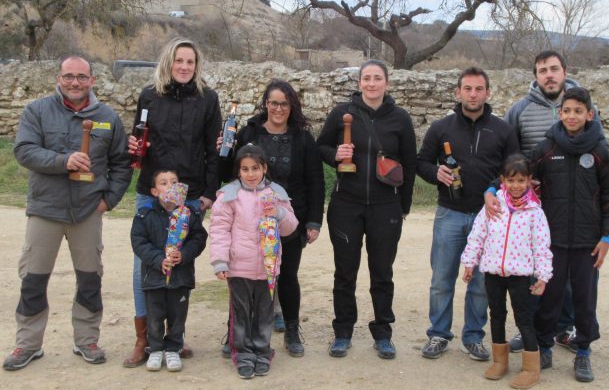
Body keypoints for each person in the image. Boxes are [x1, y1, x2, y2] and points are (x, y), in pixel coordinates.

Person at [3, 56, 132, 371]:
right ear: (58, 78)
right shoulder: (38, 111)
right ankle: (28, 345)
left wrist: (108, 202)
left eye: (82, 77)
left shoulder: (107, 117)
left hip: (88, 210)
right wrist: (64, 161)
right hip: (46, 208)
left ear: (92, 81)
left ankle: (87, 340)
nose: (75, 82)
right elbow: (25, 150)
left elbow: (121, 163)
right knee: (33, 278)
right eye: (69, 76)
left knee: (90, 278)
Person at [123, 37, 222, 367]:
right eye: (179, 60)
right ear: (168, 62)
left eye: (190, 62)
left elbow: (213, 150)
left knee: (180, 264)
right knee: (147, 264)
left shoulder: (208, 99)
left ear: (197, 66)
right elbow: (140, 140)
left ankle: (173, 338)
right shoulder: (149, 96)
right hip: (153, 191)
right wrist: (134, 148)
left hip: (190, 194)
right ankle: (144, 340)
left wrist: (209, 191)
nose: (184, 67)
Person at [316, 59, 417, 360]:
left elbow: (410, 164)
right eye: (366, 78)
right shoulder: (342, 114)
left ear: (387, 83)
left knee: (382, 273)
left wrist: (404, 206)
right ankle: (343, 331)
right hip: (346, 204)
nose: (371, 84)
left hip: (386, 206)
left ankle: (383, 332)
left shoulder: (400, 118)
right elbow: (320, 147)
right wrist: (336, 153)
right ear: (359, 83)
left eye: (377, 78)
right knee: (345, 273)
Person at [416, 67, 519, 361]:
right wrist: (436, 172)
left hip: (489, 217)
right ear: (458, 92)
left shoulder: (503, 130)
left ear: (487, 93)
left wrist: (494, 188)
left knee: (481, 283)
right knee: (442, 278)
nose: (473, 94)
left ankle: (473, 337)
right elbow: (421, 162)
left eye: (478, 89)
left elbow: (514, 170)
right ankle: (438, 333)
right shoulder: (441, 128)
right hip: (450, 213)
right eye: (467, 88)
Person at [218, 80, 325, 357]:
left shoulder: (303, 139)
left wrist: (313, 221)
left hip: (288, 220)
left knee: (287, 277)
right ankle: (235, 331)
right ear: (266, 104)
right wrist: (223, 148)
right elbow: (230, 171)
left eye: (284, 103)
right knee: (244, 279)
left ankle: (291, 330)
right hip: (248, 222)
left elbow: (316, 182)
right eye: (273, 102)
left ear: (292, 106)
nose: (278, 108)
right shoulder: (249, 133)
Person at [498, 50, 593, 353]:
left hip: (571, 203)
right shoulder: (520, 110)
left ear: (565, 71)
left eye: (554, 69)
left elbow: (597, 146)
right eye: (542, 70)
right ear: (535, 75)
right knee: (529, 269)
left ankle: (563, 328)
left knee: (564, 272)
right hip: (530, 205)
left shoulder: (583, 107)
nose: (549, 75)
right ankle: (529, 327)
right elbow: (511, 156)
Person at [529, 86, 609, 382]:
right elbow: (517, 170)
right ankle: (544, 346)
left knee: (584, 298)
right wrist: (494, 188)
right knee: (549, 296)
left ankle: (583, 352)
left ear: (589, 115)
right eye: (567, 110)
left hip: (587, 242)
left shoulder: (598, 151)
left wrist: (608, 237)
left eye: (578, 111)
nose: (572, 116)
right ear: (560, 113)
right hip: (551, 241)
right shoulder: (547, 149)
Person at [460, 155, 553, 389]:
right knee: (497, 315)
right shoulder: (493, 206)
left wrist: (543, 276)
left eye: (522, 180)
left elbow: (542, 247)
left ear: (530, 181)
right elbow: (478, 235)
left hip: (519, 275)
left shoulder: (535, 212)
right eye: (511, 180)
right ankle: (500, 361)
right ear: (502, 181)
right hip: (493, 272)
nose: (516, 185)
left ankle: (531, 368)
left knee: (523, 318)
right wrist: (470, 262)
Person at [210, 144, 298, 379]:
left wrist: (279, 214)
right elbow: (219, 229)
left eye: (255, 168)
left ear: (264, 168)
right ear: (238, 171)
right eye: (245, 169)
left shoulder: (276, 193)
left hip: (268, 268)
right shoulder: (229, 195)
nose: (250, 174)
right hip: (238, 267)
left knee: (264, 313)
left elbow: (291, 227)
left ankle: (262, 352)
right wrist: (220, 261)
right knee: (241, 313)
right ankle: (243, 354)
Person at [130, 170, 208, 372]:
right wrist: (157, 259)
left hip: (181, 277)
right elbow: (138, 242)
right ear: (155, 191)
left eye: (174, 182)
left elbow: (199, 239)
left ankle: (174, 347)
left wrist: (185, 255)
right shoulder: (144, 215)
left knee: (177, 315)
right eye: (164, 183)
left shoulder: (188, 214)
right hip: (154, 277)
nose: (170, 186)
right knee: (154, 315)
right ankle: (155, 348)